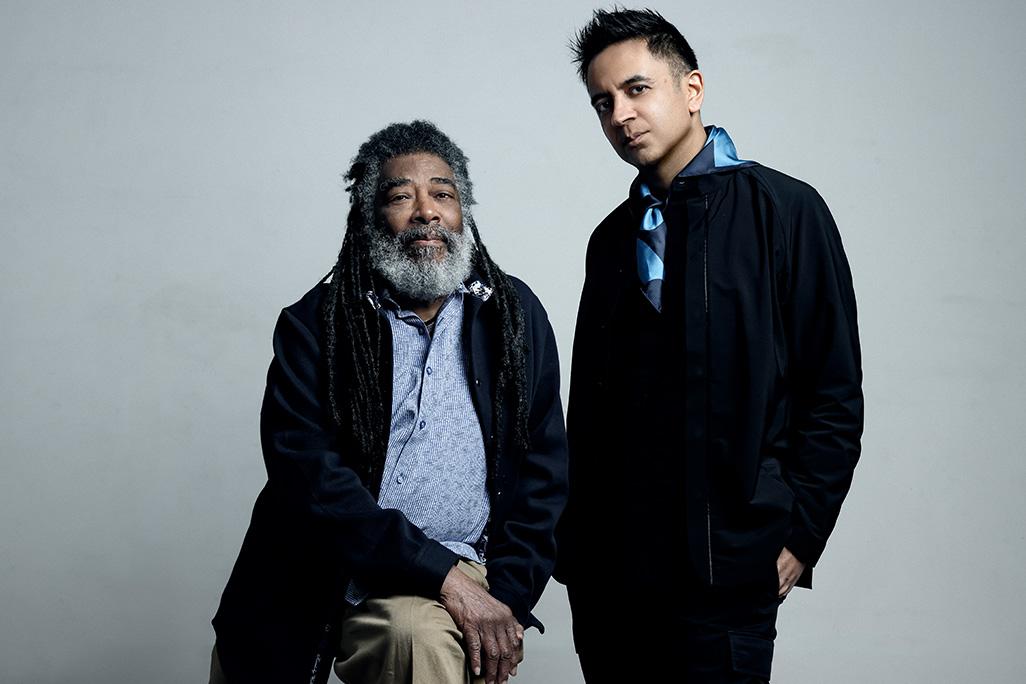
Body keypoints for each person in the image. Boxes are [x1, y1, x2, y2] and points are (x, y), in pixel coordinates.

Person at [553, 9, 864, 682]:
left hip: (728, 571)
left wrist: (800, 535)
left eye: (637, 90)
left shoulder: (784, 211)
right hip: (611, 578)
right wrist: (572, 553)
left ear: (691, 90)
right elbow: (589, 408)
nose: (620, 115)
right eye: (603, 103)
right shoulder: (612, 240)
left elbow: (832, 392)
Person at [210, 120, 568, 684]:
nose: (426, 211)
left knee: (412, 637)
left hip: (449, 583)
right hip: (316, 570)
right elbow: (307, 476)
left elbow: (545, 472)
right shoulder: (317, 325)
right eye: (402, 196)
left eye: (443, 194)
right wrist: (440, 573)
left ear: (463, 212)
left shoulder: (513, 315)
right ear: (369, 217)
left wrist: (506, 596)